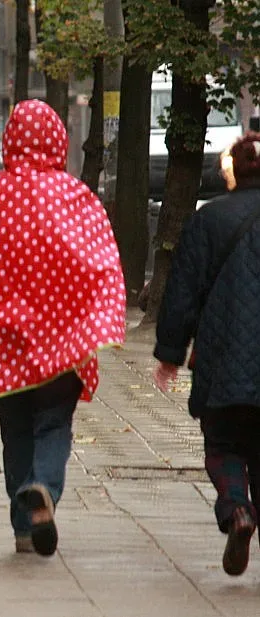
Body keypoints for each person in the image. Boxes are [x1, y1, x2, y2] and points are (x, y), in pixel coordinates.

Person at [0, 99, 127, 556]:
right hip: (62, 346)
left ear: (9, 141)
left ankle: (23, 526)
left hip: (4, 346)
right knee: (53, 425)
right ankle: (43, 489)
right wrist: (101, 319)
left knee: (15, 430)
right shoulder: (77, 198)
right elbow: (102, 265)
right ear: (58, 140)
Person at [153, 132, 260, 577]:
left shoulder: (209, 219)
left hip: (223, 363)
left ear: (231, 172)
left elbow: (183, 291)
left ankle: (238, 510)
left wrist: (169, 354)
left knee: (223, 445)